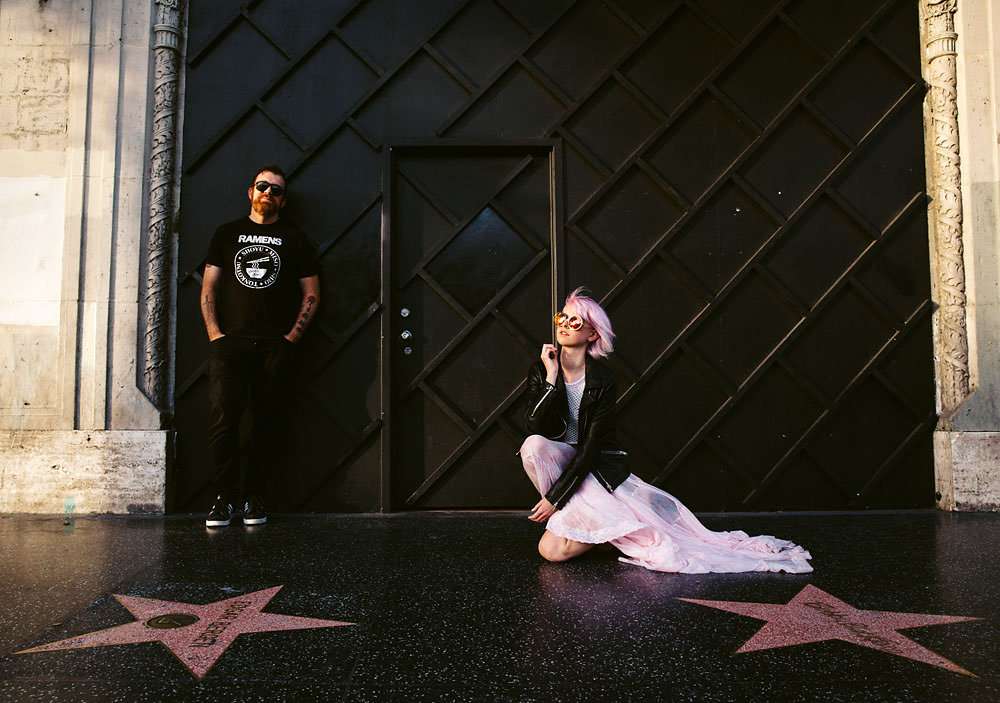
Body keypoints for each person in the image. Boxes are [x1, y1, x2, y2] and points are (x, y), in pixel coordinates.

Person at [518, 287, 812, 573]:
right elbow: (534, 426)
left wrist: (554, 498)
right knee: (533, 446)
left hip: (595, 469)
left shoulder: (603, 380)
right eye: (562, 318)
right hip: (563, 461)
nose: (564, 325)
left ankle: (605, 527)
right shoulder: (542, 370)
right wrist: (551, 379)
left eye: (575, 322)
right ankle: (598, 525)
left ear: (592, 334)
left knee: (551, 551)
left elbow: (592, 447)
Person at [200, 165, 321, 527]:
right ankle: (223, 499)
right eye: (263, 186)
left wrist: (290, 340)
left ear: (283, 201)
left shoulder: (295, 239)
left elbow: (311, 294)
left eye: (276, 190)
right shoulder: (227, 234)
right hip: (229, 344)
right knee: (223, 422)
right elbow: (209, 288)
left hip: (274, 347)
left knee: (264, 424)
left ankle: (254, 498)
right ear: (250, 191)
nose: (268, 193)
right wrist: (215, 335)